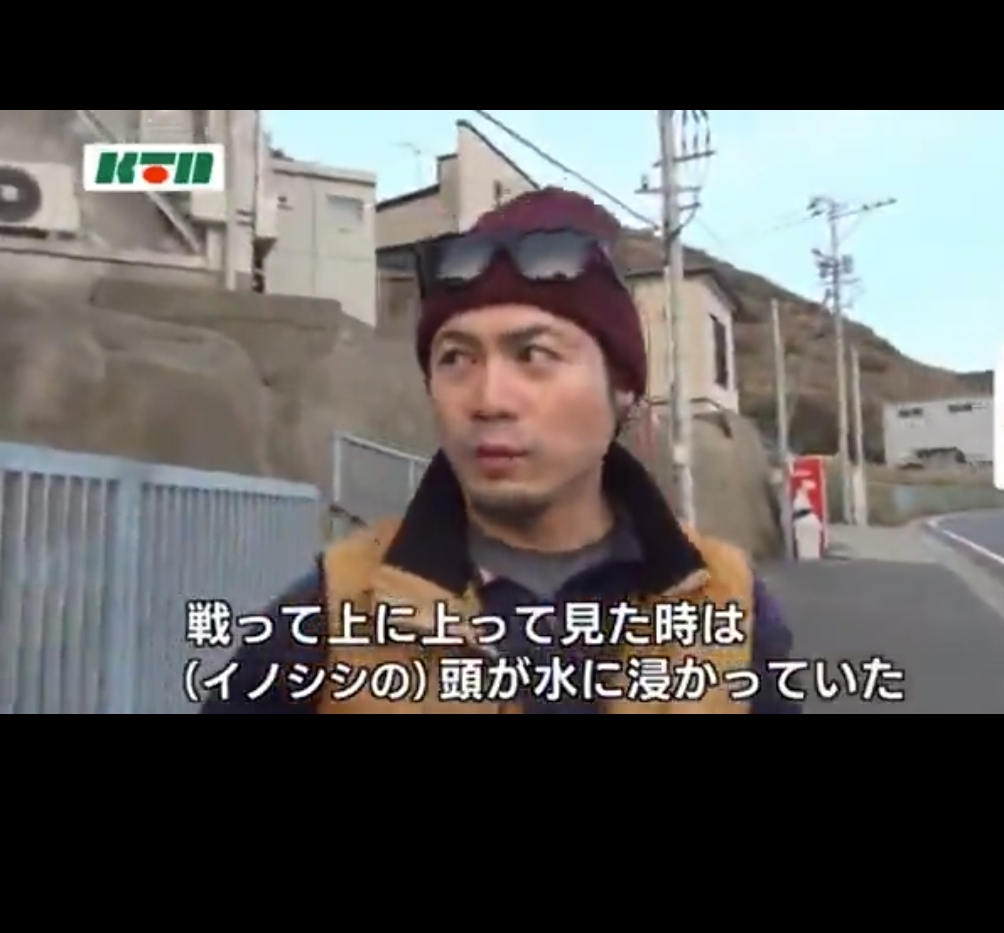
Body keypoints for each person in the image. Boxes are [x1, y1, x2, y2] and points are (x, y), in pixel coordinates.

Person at [201, 187, 800, 715]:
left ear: (621, 387)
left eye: (534, 355)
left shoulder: (730, 604)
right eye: (456, 358)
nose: (488, 400)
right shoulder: (332, 612)